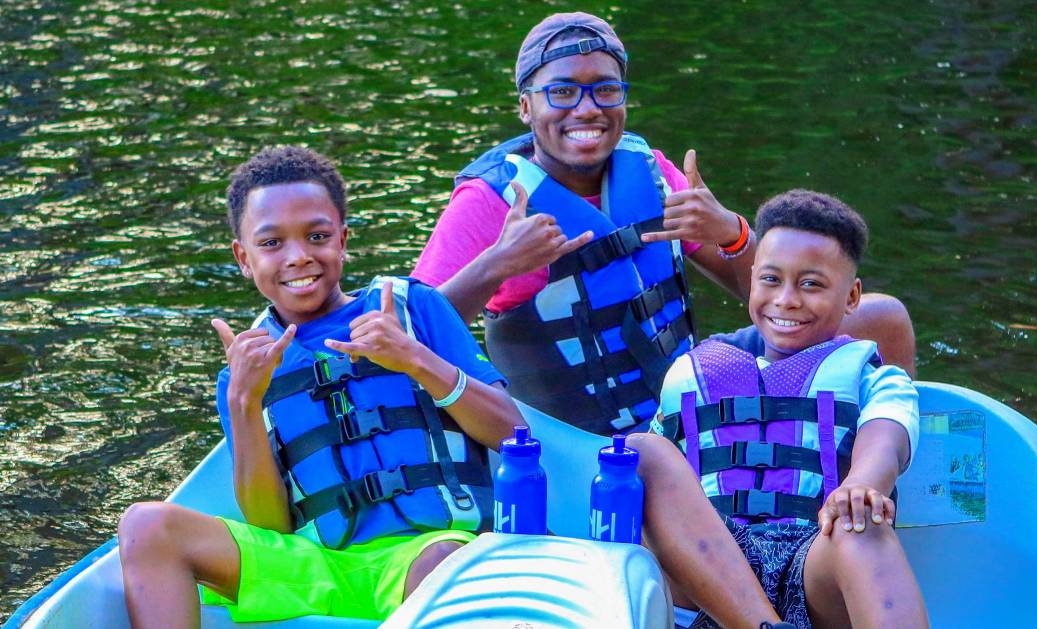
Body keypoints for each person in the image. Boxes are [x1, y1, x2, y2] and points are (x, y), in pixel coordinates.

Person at [412, 12, 916, 437]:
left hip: (685, 401)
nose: (587, 109)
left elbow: (770, 299)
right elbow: (403, 336)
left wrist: (732, 234)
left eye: (605, 90)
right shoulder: (489, 201)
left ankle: (874, 478)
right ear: (526, 106)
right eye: (562, 92)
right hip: (578, 440)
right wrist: (497, 264)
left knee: (882, 319)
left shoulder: (652, 172)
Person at [116, 146, 524, 626]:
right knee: (146, 525)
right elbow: (271, 526)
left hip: (430, 554)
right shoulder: (242, 371)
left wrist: (414, 359)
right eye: (271, 244)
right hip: (314, 566)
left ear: (343, 240)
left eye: (317, 236)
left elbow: (514, 434)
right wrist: (244, 403)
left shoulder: (415, 310)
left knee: (441, 564)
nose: (298, 256)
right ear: (243, 258)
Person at [648, 189, 929, 628]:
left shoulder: (876, 379)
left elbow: (887, 441)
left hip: (812, 564)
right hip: (705, 573)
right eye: (771, 280)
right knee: (642, 454)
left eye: (811, 284)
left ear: (852, 296)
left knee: (861, 524)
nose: (787, 300)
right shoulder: (688, 376)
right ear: (753, 277)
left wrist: (861, 485)